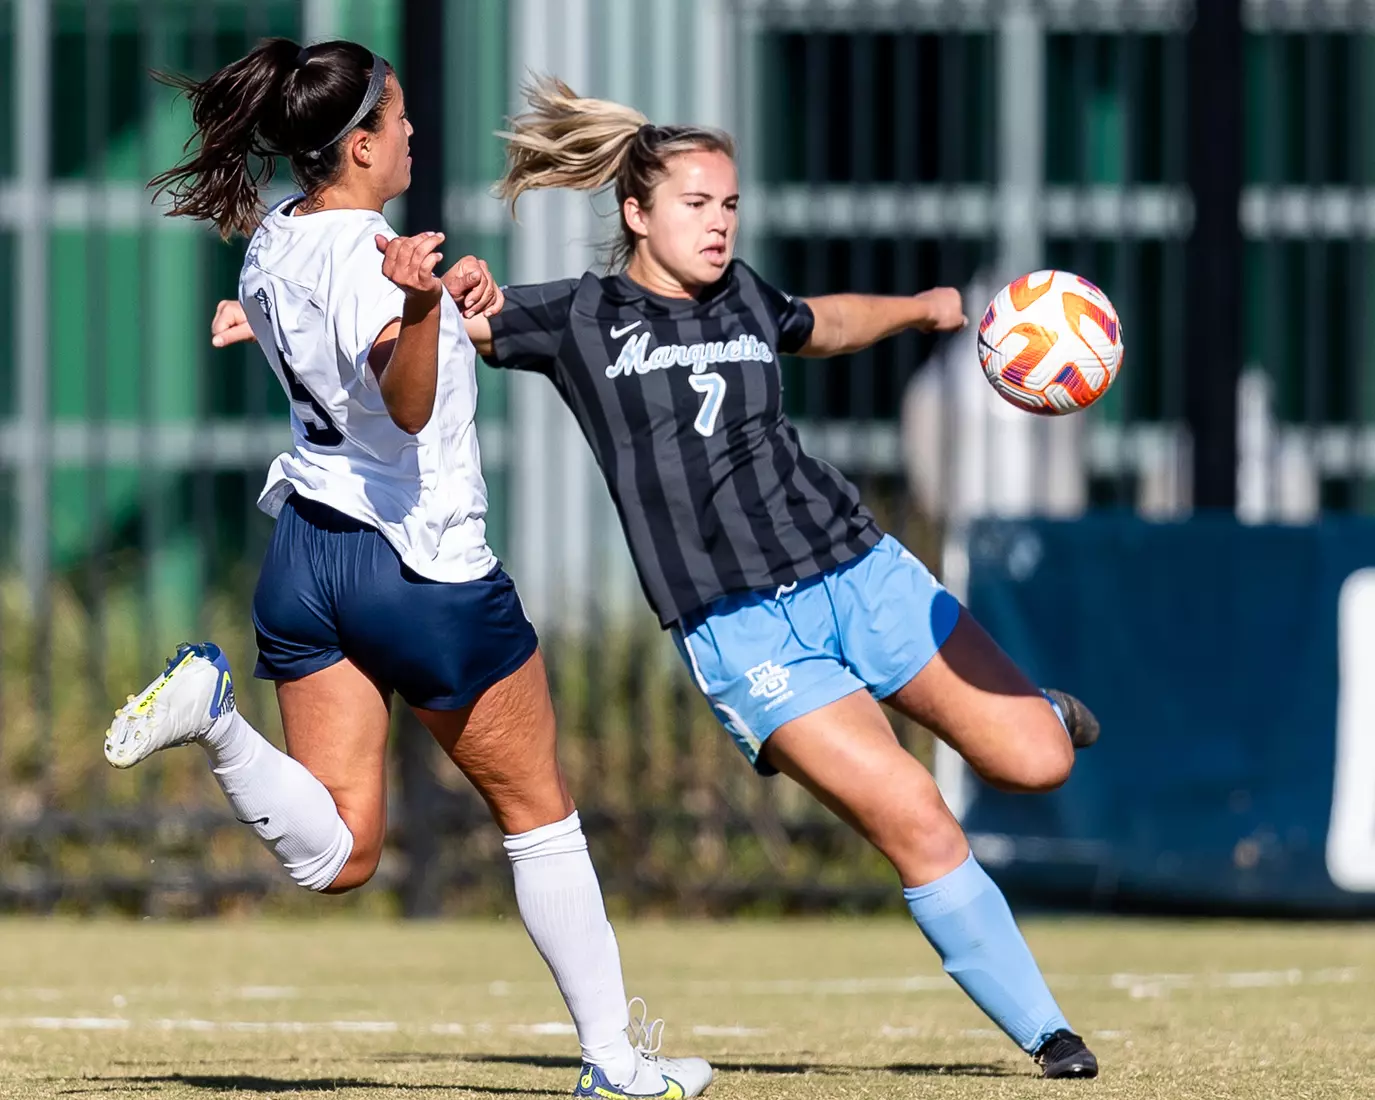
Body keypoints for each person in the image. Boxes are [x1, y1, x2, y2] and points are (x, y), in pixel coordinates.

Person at [211, 75, 1102, 1080]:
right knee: (915, 815)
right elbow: (413, 343)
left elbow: (822, 319)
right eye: (696, 204)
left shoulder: (746, 296)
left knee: (1036, 762)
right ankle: (1049, 1034)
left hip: (861, 568)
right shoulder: (578, 318)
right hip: (743, 631)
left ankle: (1048, 715)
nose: (718, 225)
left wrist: (924, 308)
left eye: (729, 206)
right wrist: (285, 326)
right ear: (635, 211)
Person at [114, 43, 710, 1100]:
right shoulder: (370, 255)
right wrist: (426, 306)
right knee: (540, 815)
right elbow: (398, 396)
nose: (413, 133)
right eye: (397, 120)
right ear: (357, 146)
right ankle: (614, 1061)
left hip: (305, 554)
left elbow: (316, 328)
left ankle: (215, 713)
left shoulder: (276, 238)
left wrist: (444, 293)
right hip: (420, 569)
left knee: (338, 854)